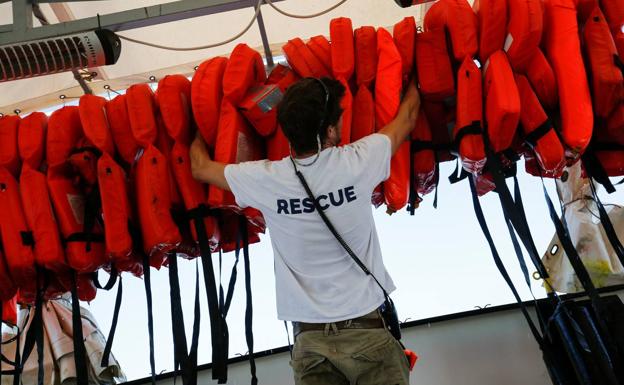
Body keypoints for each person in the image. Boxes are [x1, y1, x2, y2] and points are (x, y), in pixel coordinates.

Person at [190, 76, 421, 385]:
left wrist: (198, 118)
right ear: (329, 130)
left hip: (310, 345)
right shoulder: (358, 161)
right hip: (369, 334)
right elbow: (408, 115)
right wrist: (413, 74)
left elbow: (200, 167)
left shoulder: (266, 180)